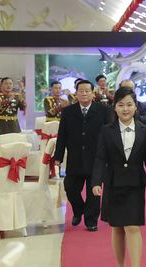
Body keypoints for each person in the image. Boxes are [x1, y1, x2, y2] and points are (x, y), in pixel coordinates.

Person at [91, 87, 146, 267]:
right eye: (121, 105)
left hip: (135, 183)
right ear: (114, 108)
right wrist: (96, 182)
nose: (125, 109)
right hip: (113, 183)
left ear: (136, 107)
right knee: (117, 227)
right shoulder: (106, 131)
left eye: (129, 105)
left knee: (133, 226)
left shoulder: (143, 130)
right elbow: (100, 158)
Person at [54, 80, 109, 232]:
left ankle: (91, 220)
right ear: (76, 93)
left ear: (93, 93)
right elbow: (62, 136)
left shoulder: (103, 110)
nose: (84, 94)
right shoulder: (68, 112)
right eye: (81, 91)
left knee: (94, 191)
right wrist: (58, 156)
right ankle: (79, 210)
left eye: (87, 91)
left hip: (96, 158)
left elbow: (109, 134)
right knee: (70, 187)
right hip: (75, 157)